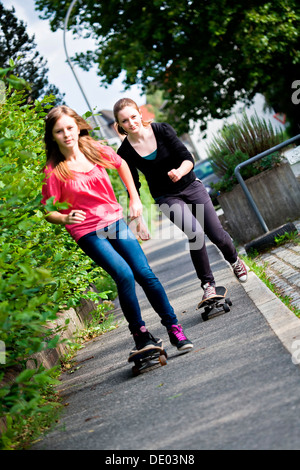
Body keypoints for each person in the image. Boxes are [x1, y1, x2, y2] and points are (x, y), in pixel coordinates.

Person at [41, 105, 193, 358]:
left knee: (144, 272)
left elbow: (122, 165)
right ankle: (141, 335)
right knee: (124, 274)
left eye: (70, 128)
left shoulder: (95, 149)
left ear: (78, 127)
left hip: (114, 220)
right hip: (86, 231)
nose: (67, 134)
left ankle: (174, 327)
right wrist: (65, 216)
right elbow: (49, 211)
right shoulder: (54, 171)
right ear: (53, 136)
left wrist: (134, 198)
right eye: (59, 131)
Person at [113, 98, 248, 302]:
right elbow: (133, 187)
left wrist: (179, 171)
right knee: (195, 233)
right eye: (125, 121)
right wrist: (138, 220)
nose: (131, 123)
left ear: (140, 114)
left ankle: (234, 260)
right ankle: (208, 285)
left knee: (217, 234)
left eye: (133, 116)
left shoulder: (161, 130)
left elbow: (188, 157)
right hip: (166, 196)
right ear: (120, 125)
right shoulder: (124, 152)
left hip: (191, 186)